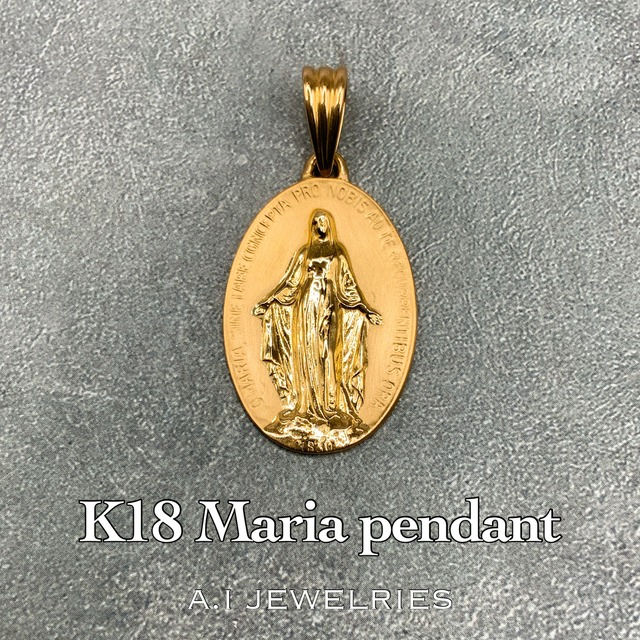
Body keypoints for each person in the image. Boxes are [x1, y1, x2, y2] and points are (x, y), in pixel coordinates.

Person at [253, 209, 381, 435]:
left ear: (329, 224)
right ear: (312, 226)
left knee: (328, 352)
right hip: (306, 303)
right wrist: (267, 302)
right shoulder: (305, 252)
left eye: (323, 222)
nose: (320, 226)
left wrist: (366, 309)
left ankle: (330, 406)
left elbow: (349, 284)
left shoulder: (338, 252)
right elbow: (290, 283)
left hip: (329, 303)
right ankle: (307, 406)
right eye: (316, 222)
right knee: (309, 351)